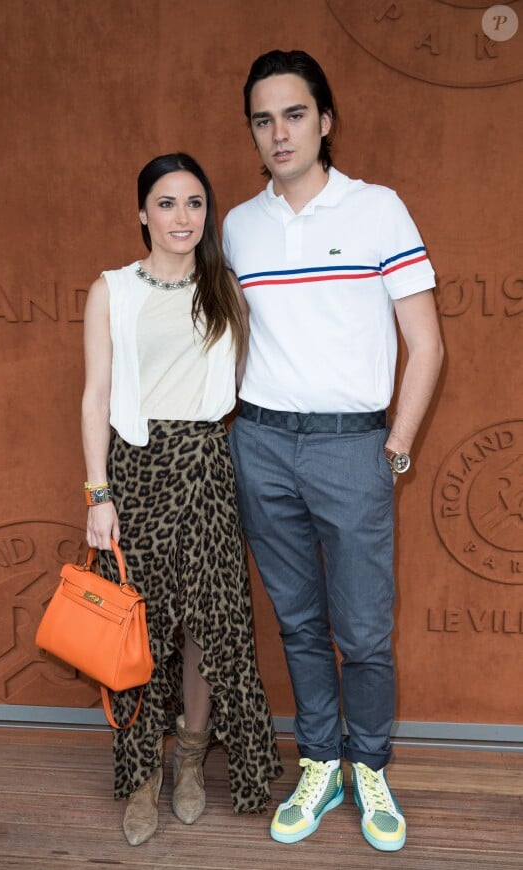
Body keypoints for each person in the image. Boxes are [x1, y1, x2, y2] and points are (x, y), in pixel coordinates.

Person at [223, 50, 444, 852]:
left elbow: (427, 345)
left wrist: (397, 445)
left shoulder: (378, 210)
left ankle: (371, 766)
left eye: (292, 114)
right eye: (262, 119)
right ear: (253, 132)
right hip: (261, 443)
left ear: (325, 122)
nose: (278, 133)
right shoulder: (238, 227)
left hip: (353, 447)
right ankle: (320, 760)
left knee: (363, 629)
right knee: (301, 623)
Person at [81, 152, 282, 847]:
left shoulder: (223, 285)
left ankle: (191, 760)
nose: (181, 217)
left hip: (205, 467)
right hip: (133, 473)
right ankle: (141, 774)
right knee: (136, 628)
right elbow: (95, 396)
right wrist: (97, 492)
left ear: (207, 213)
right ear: (142, 213)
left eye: (194, 203)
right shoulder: (111, 289)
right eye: (166, 203)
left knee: (207, 623)